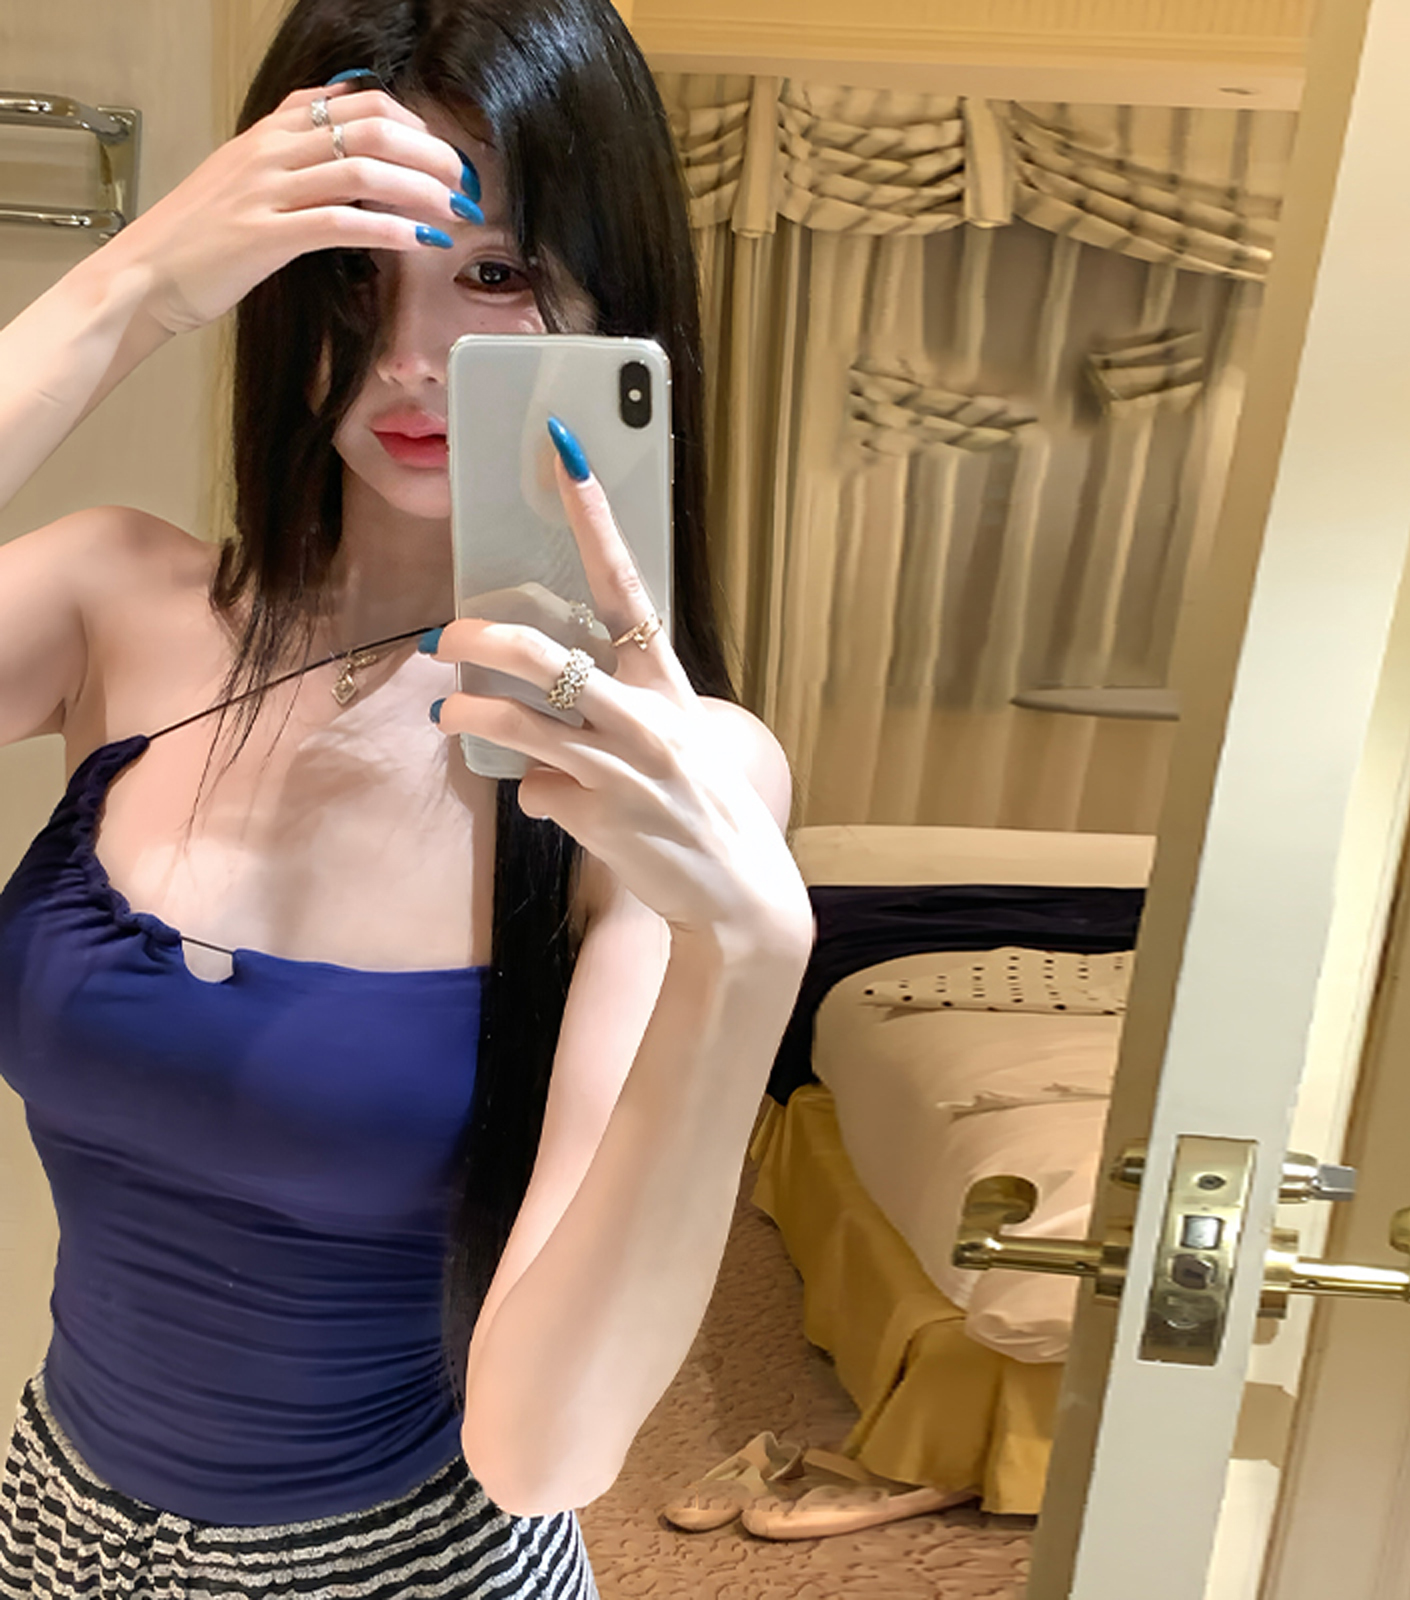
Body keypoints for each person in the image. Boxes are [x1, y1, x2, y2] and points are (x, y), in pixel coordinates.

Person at [0, 1, 813, 1595]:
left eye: (495, 275)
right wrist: (128, 285)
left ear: (612, 299)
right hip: (50, 1515)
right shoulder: (116, 605)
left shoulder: (660, 771)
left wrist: (750, 961)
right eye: (344, 271)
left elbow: (545, 1455)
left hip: (409, 1566)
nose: (406, 359)